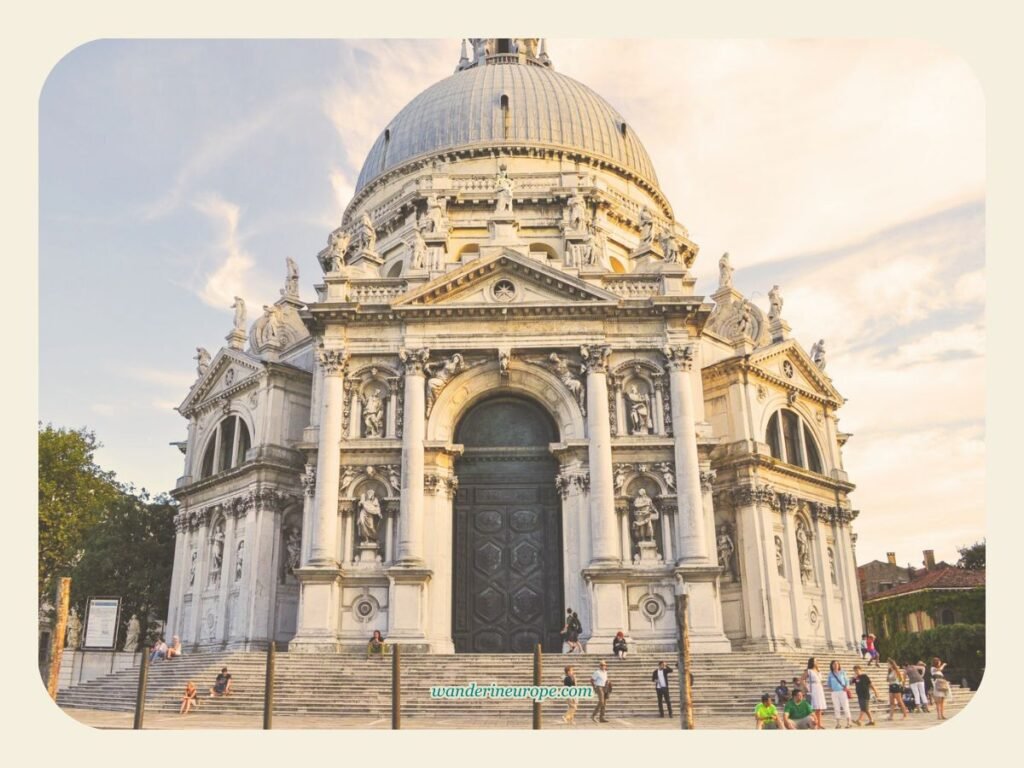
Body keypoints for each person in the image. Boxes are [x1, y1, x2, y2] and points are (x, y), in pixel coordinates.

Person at [801, 657, 827, 730]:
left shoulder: (818, 671)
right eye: (815, 661)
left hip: (819, 689)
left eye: (817, 661)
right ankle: (812, 723)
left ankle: (819, 724)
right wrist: (806, 688)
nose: (817, 662)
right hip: (812, 689)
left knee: (819, 708)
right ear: (812, 662)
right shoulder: (809, 671)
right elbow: (802, 679)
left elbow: (820, 681)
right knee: (812, 708)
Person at [827, 660, 853, 728]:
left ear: (839, 665)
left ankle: (849, 723)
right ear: (831, 665)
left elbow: (847, 681)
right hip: (834, 693)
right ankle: (838, 724)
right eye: (833, 664)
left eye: (836, 664)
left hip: (842, 692)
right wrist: (830, 688)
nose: (835, 665)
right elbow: (828, 683)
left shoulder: (842, 672)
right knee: (836, 708)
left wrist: (846, 688)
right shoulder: (830, 674)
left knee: (846, 707)